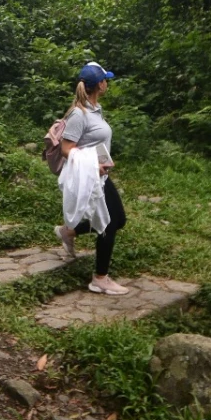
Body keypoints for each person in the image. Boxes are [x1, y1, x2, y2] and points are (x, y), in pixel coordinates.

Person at [53, 62, 130, 296]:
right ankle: (100, 278)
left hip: (101, 176)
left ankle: (69, 232)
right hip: (91, 176)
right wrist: (92, 165)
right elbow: (67, 148)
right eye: (105, 79)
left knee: (119, 219)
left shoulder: (96, 109)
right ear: (99, 85)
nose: (108, 82)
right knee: (109, 222)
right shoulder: (79, 114)